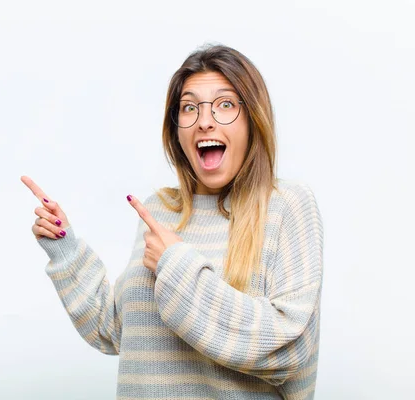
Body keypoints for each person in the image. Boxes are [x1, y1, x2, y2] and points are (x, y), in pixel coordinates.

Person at [21, 44, 323, 400]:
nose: (204, 120)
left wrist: (175, 264)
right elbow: (117, 331)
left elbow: (289, 350)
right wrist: (65, 247)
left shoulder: (286, 206)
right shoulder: (160, 209)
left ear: (252, 119)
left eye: (225, 104)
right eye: (189, 107)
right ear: (176, 130)